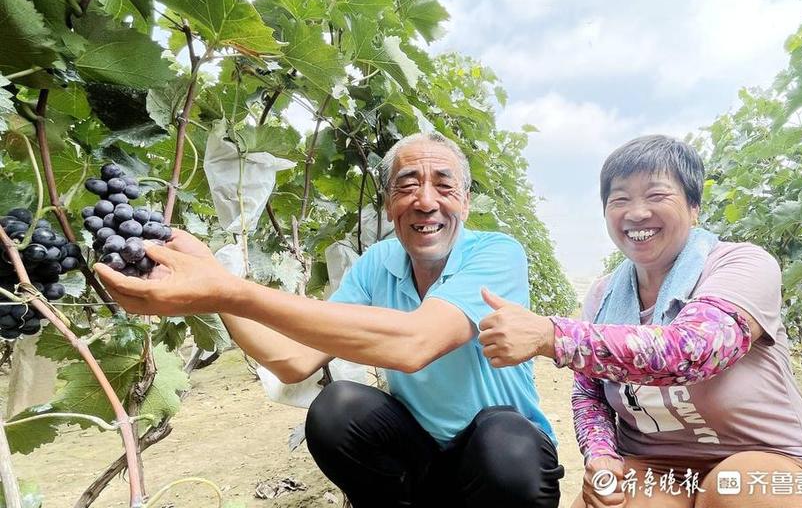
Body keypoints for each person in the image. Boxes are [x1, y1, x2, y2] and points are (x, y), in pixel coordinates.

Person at [94, 132, 564, 508]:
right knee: (338, 408)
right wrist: (218, 292)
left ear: (464, 201)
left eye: (444, 185)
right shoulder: (378, 262)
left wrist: (231, 289)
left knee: (504, 444)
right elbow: (294, 361)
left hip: (500, 464)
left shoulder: (496, 253)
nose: (425, 201)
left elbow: (416, 344)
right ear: (387, 204)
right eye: (406, 186)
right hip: (422, 456)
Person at [477, 135, 802, 508]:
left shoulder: (741, 264)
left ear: (694, 206)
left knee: (742, 490)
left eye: (656, 195)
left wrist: (553, 335)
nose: (636, 212)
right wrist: (602, 454)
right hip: (658, 468)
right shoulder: (603, 296)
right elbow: (589, 393)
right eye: (619, 199)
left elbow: (693, 351)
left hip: (770, 461)